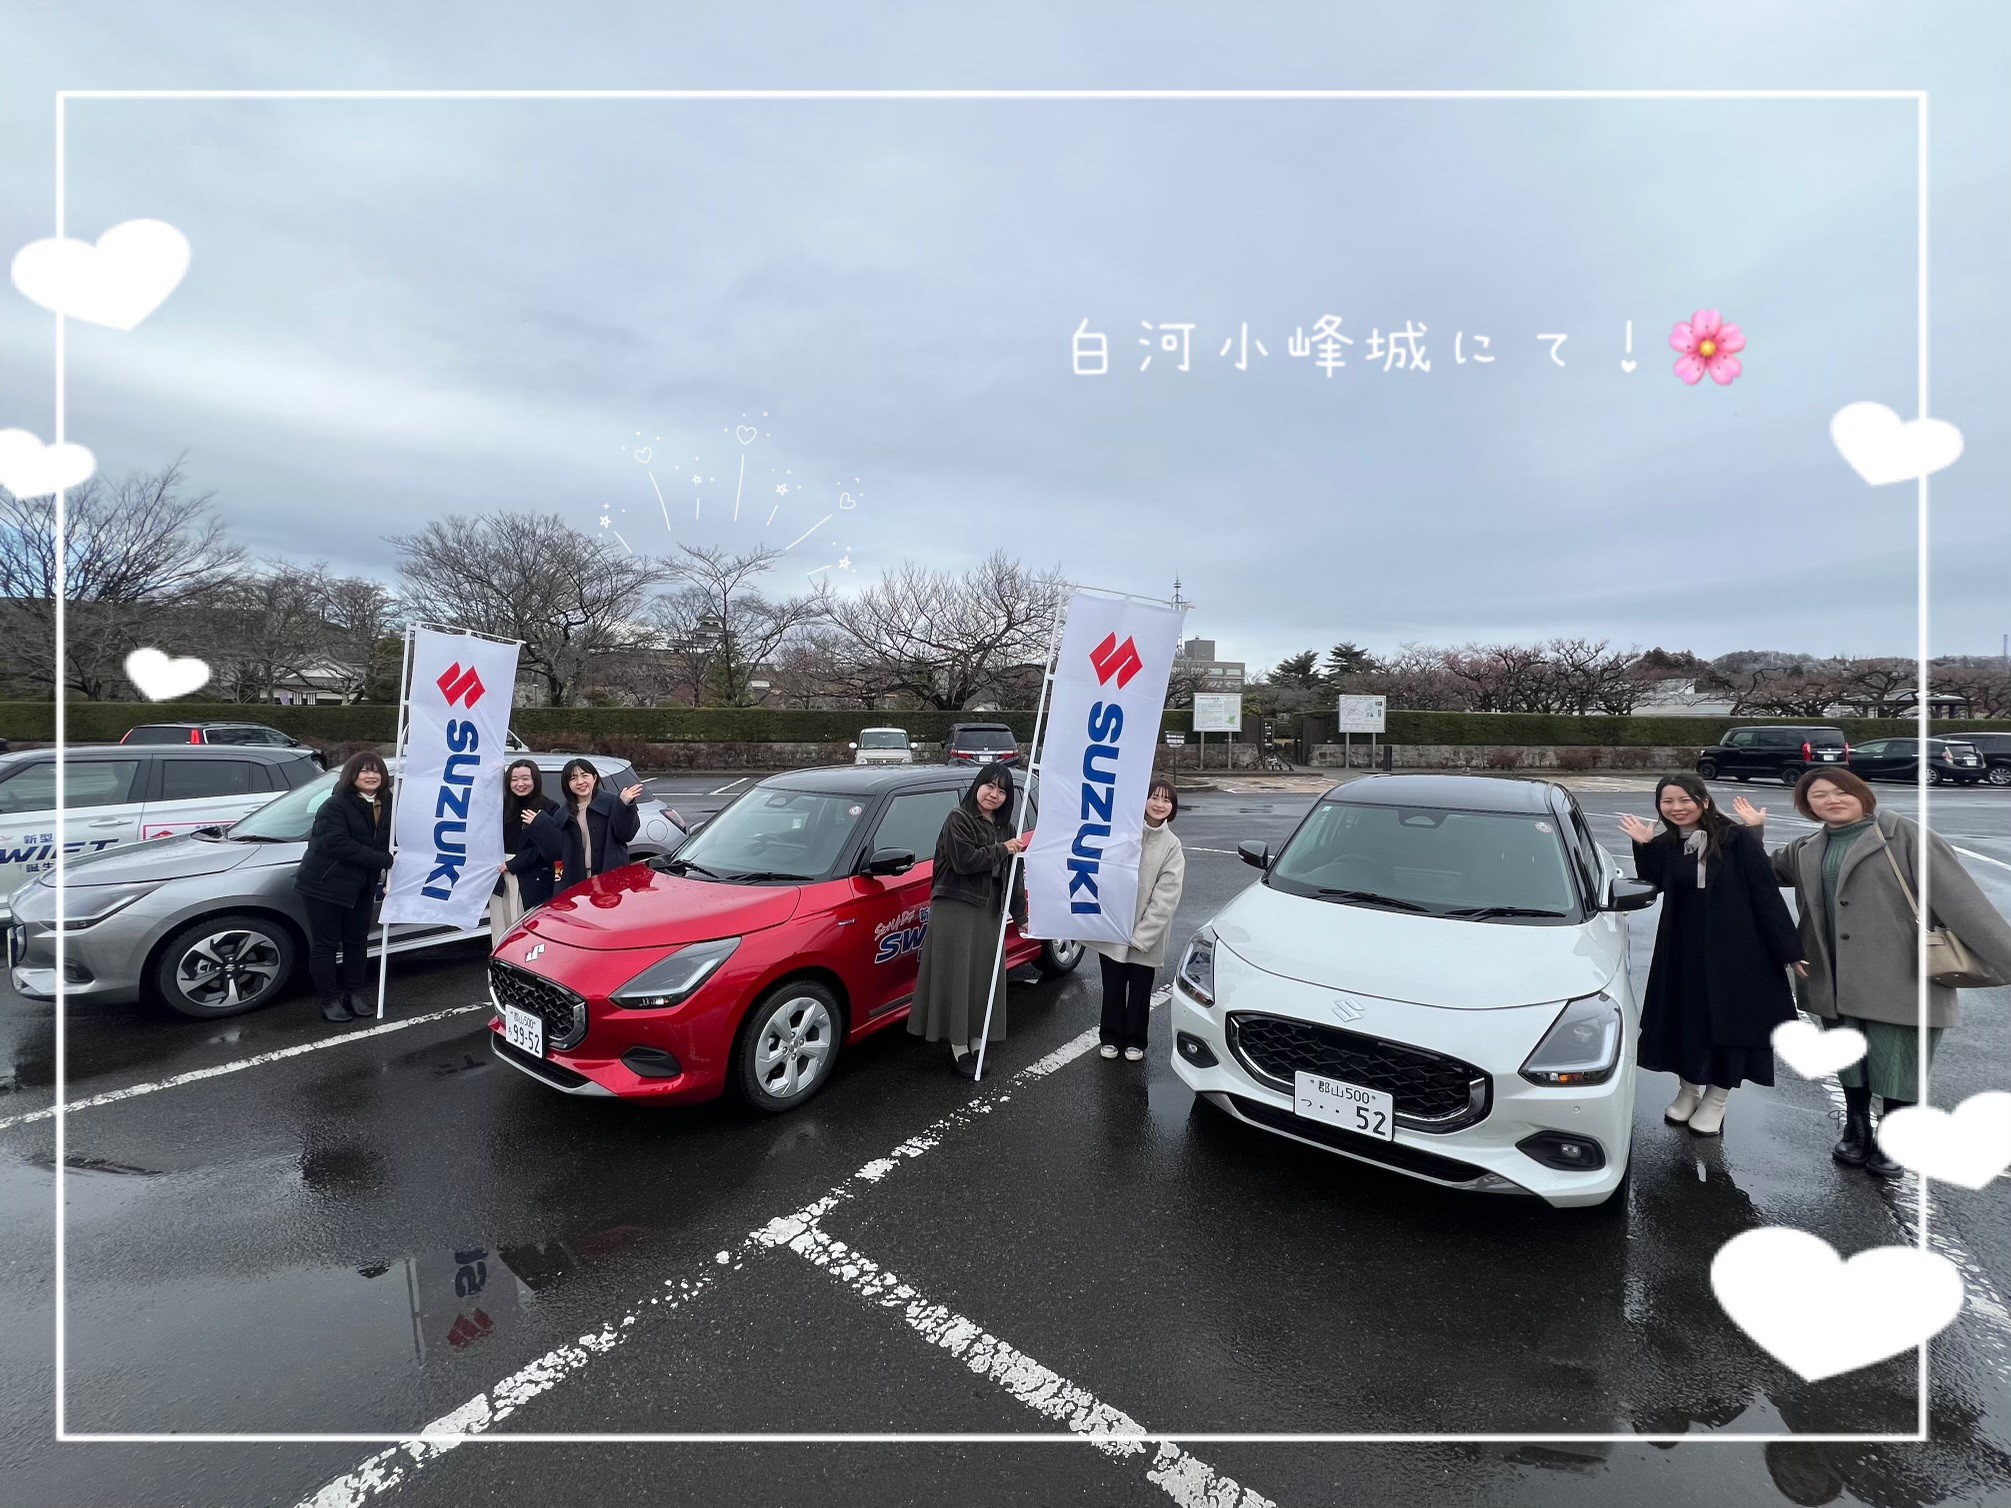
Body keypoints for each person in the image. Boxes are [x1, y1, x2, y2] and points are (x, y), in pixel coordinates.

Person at [1734, 770, 2011, 1177]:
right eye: (1818, 796)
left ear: (1862, 794)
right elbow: (1759, 874)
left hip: (1902, 973)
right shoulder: (1807, 847)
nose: (1831, 800)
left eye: (1841, 791)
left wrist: (2004, 955)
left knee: (1898, 1060)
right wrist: (1753, 832)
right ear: (1807, 806)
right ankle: (1857, 1129)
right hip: (1833, 973)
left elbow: (1963, 901)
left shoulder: (1905, 836)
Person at [1617, 773, 1806, 1137]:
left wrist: (1789, 950)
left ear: (1703, 801)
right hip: (1682, 949)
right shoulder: (1668, 842)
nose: (1676, 808)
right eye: (1667, 802)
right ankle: (1688, 1090)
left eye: (1684, 800)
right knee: (1685, 1019)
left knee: (1729, 1024)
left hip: (1737, 951)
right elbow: (1656, 883)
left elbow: (1765, 893)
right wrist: (1644, 845)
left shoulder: (1735, 838)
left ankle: (1716, 1099)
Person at [907, 763, 1034, 1078]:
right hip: (957, 908)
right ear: (978, 785)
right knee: (957, 975)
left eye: (1002, 790)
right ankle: (958, 1045)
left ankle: (978, 1038)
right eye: (989, 786)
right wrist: (1002, 849)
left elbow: (1014, 876)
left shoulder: (1008, 829)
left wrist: (1020, 915)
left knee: (982, 977)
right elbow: (965, 861)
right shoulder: (958, 819)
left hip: (989, 911)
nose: (994, 794)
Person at [1086, 778, 1187, 1062]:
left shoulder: (1172, 846)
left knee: (1141, 990)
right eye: (1154, 797)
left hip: (1147, 935)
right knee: (1113, 987)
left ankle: (1135, 1040)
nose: (1159, 804)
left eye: (1166, 800)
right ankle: (1110, 1037)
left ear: (1173, 807)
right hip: (1115, 929)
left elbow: (1167, 897)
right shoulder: (1123, 834)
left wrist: (1142, 935)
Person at [293, 750, 396, 1023]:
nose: (372, 775)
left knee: (356, 943)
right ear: (352, 775)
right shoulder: (335, 805)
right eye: (365, 770)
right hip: (324, 885)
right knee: (326, 945)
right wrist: (385, 860)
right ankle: (329, 1000)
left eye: (377, 770)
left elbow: (392, 838)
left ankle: (354, 994)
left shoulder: (387, 803)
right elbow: (338, 844)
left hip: (361, 887)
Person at [552, 758, 646, 893]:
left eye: (585, 775)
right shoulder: (562, 814)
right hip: (577, 879)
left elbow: (626, 834)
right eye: (573, 778)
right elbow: (557, 855)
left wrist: (624, 806)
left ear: (595, 778)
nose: (580, 782)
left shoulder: (612, 802)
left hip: (610, 876)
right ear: (567, 784)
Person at [492, 759, 561, 945]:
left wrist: (512, 864)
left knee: (525, 929)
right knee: (501, 928)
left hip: (528, 876)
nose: (520, 784)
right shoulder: (500, 806)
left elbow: (548, 849)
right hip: (499, 874)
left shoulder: (549, 808)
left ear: (535, 780)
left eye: (525, 778)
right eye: (514, 780)